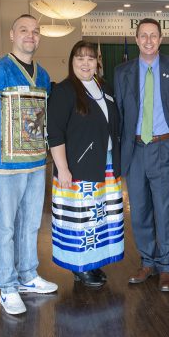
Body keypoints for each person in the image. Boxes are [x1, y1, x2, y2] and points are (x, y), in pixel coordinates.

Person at [0, 14, 57, 315]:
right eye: (24, 30)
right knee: (5, 227)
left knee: (31, 224)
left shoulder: (42, 75)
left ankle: (28, 275)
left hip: (35, 163)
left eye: (35, 31)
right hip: (3, 166)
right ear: (11, 34)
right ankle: (7, 287)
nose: (30, 36)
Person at [114, 18, 169, 292]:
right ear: (136, 39)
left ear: (160, 39)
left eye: (153, 35)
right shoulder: (122, 71)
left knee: (165, 208)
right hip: (134, 149)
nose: (148, 40)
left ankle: (167, 266)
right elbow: (119, 114)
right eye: (143, 36)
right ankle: (148, 261)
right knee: (140, 209)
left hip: (163, 146)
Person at [47, 40, 124, 288]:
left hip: (106, 164)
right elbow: (55, 133)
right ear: (72, 62)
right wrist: (63, 169)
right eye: (80, 58)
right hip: (78, 169)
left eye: (90, 58)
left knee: (99, 218)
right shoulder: (65, 90)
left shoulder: (104, 87)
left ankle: (93, 261)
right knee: (81, 220)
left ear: (96, 62)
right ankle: (79, 267)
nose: (85, 63)